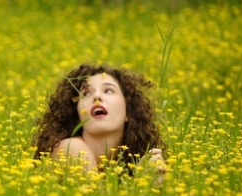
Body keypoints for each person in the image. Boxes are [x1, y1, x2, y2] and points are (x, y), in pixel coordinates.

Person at [32, 63, 166, 174]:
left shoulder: (128, 167)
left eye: (108, 90)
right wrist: (141, 186)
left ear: (128, 111)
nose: (96, 97)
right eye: (86, 93)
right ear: (78, 115)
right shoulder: (70, 149)